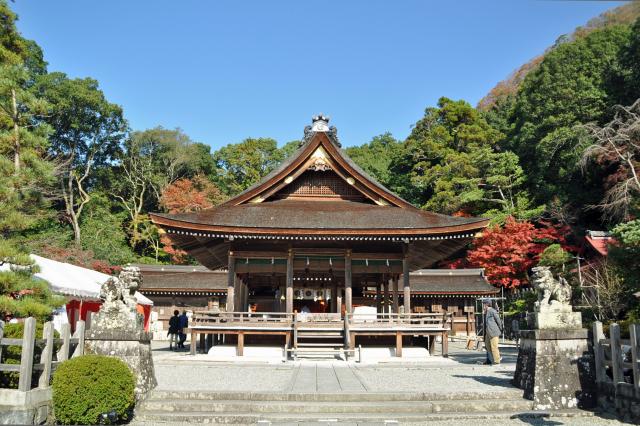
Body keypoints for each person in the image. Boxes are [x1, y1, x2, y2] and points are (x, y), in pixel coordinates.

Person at [483, 300, 503, 365]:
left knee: (494, 347)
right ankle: (493, 359)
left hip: (494, 332)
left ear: (486, 305)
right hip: (487, 332)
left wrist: (500, 329)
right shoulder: (486, 312)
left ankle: (497, 361)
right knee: (487, 346)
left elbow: (498, 321)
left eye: (484, 304)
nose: (483, 306)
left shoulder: (493, 311)